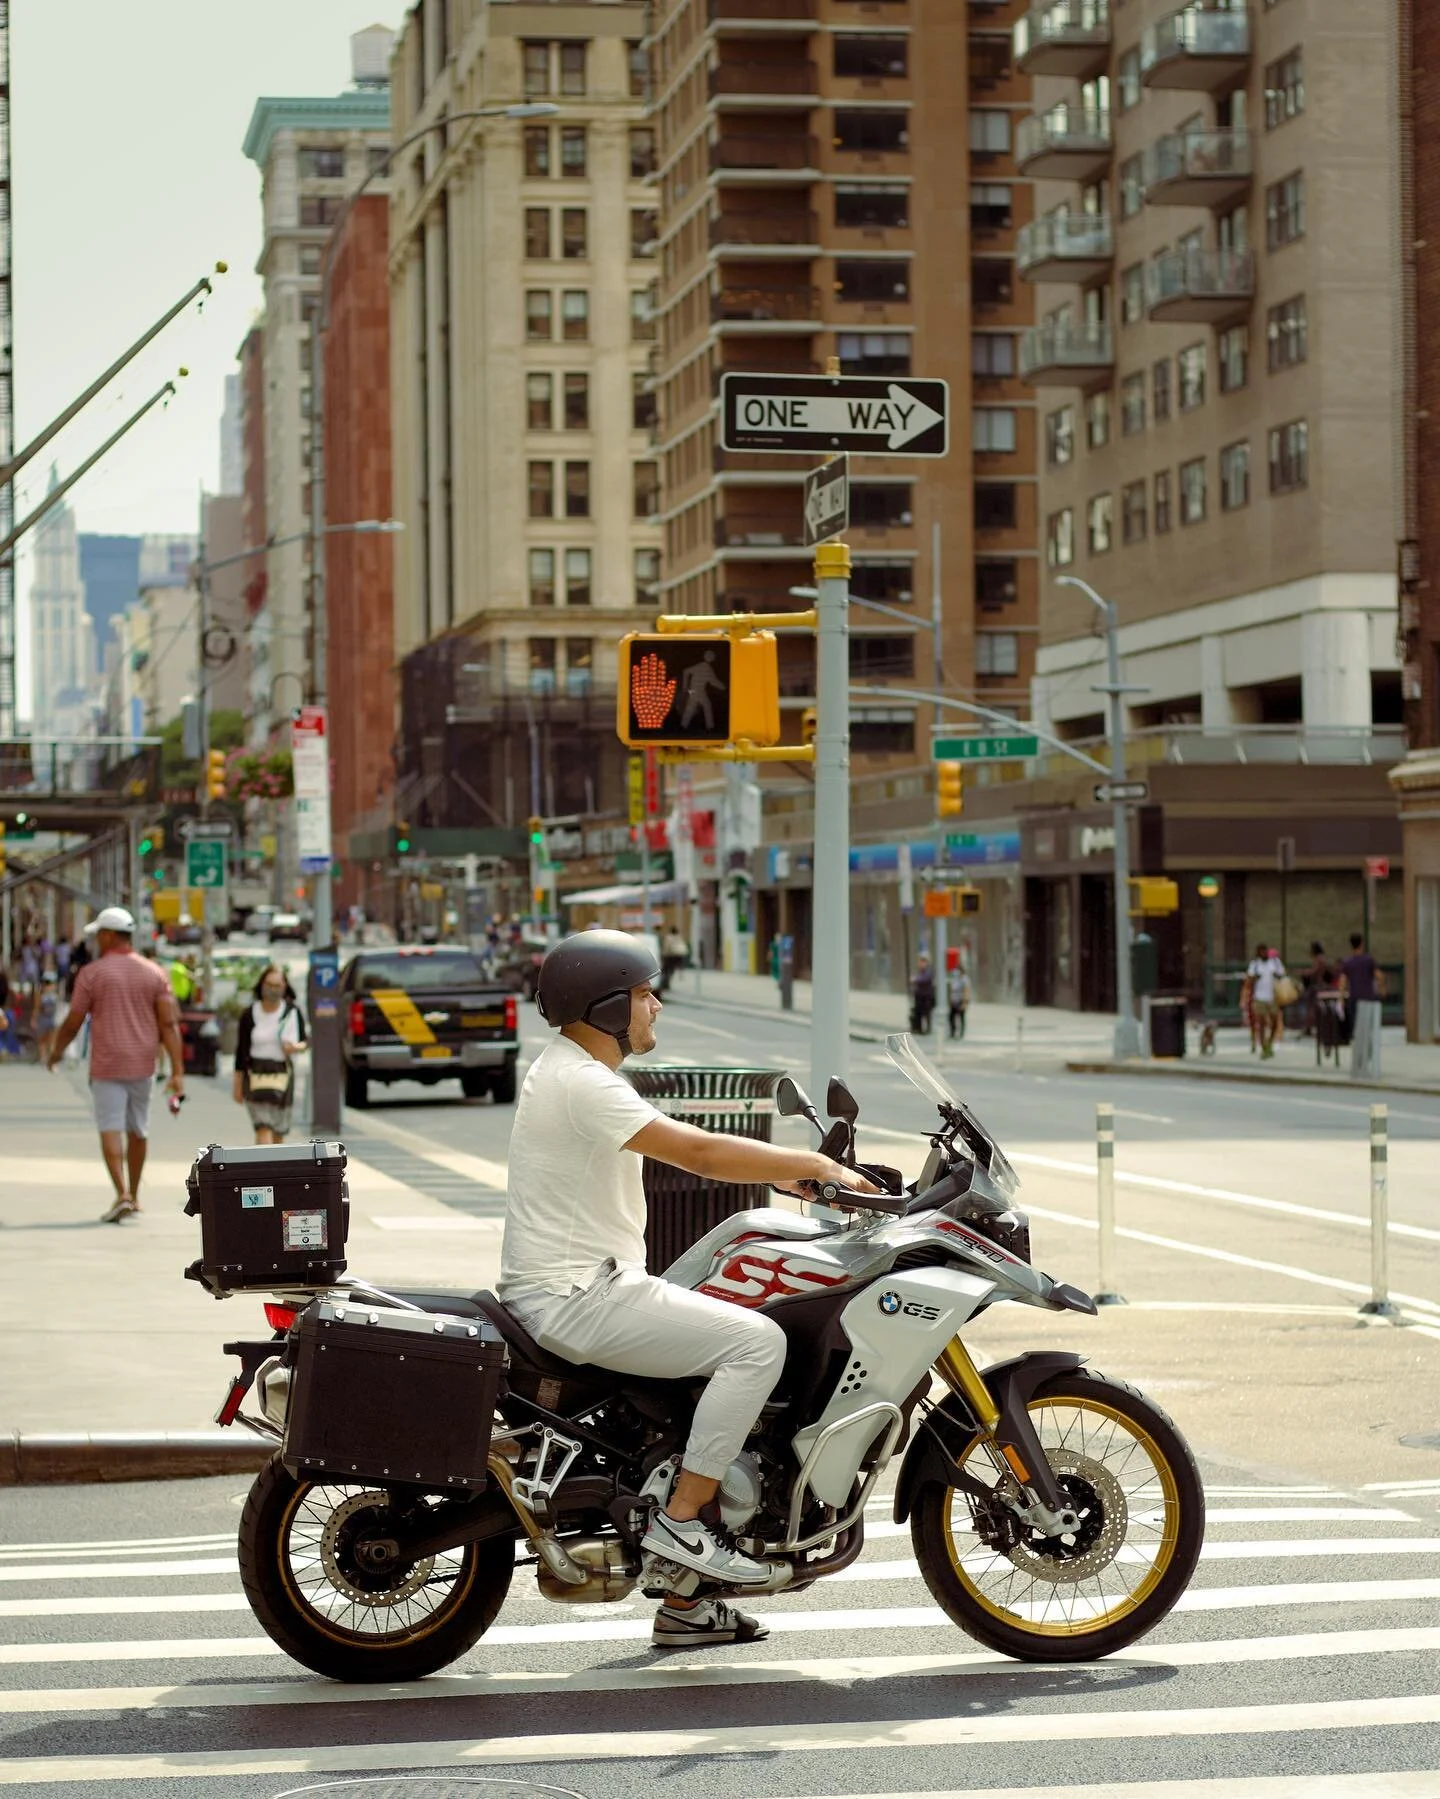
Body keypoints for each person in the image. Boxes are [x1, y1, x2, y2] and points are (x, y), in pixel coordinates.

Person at [499, 929, 875, 1650]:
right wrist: (816, 1166)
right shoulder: (583, 1081)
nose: (657, 1006)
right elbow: (695, 1148)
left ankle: (688, 1603)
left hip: (583, 1282)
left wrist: (777, 1174)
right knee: (756, 1342)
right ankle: (682, 1524)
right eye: (645, 993)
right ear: (607, 1003)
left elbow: (686, 1144)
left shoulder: (571, 1069)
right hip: (577, 1294)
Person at [44, 905, 184, 1223]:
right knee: (138, 1129)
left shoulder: (92, 974)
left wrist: (56, 1053)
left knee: (110, 1126)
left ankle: (121, 1193)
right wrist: (177, 1070)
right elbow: (168, 1025)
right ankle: (134, 1195)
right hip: (143, 1065)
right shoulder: (154, 972)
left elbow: (73, 1022)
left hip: (107, 1064)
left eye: (98, 936)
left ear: (108, 936)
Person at [233, 966, 308, 1143]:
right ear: (261, 985)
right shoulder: (250, 1014)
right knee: (263, 1126)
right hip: (255, 1074)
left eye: (277, 985)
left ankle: (275, 1168)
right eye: (269, 984)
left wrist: (294, 1047)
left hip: (282, 1074)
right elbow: (241, 1050)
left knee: (278, 1130)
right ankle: (264, 1168)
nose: (272, 989)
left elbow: (304, 1042)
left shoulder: (291, 1013)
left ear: (284, 987)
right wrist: (237, 1085)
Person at [1339, 931, 1386, 1064]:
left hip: (1355, 998)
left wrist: (1341, 999)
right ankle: (1368, 1051)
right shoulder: (1368, 960)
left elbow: (1342, 982)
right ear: (1362, 944)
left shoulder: (1347, 962)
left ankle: (1359, 1054)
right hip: (1368, 998)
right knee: (1369, 1026)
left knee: (1357, 1026)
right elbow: (1379, 976)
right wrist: (1382, 990)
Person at [1243, 941, 1286, 1060]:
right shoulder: (1255, 965)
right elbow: (1249, 979)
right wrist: (1255, 977)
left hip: (1273, 996)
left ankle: (1270, 1042)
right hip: (1259, 996)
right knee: (1261, 1023)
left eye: (1265, 951)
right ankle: (1264, 1047)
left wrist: (1276, 975)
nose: (1264, 953)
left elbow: (1282, 974)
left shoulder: (1275, 962)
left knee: (1275, 1022)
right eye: (1261, 951)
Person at [33, 972, 60, 1066]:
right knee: (45, 1040)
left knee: (48, 1040)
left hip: (49, 1019)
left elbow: (37, 1008)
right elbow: (37, 1007)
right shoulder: (44, 994)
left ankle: (48, 1058)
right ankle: (46, 1059)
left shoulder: (51, 994)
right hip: (46, 1018)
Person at [909, 953, 936, 1036]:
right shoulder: (920, 972)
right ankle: (919, 1028)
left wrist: (915, 979)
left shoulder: (928, 971)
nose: (921, 964)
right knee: (918, 1012)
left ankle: (928, 1028)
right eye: (920, 962)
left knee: (927, 1013)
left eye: (923, 962)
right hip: (919, 996)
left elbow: (924, 979)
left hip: (927, 996)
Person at [947, 963, 972, 1041]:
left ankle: (961, 1033)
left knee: (961, 1017)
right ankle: (953, 1032)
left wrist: (965, 1002)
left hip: (961, 1000)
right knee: (951, 1017)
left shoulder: (965, 979)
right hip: (954, 1000)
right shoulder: (955, 979)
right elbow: (951, 989)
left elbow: (966, 990)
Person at [660, 928, 689, 994]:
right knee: (671, 971)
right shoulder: (679, 937)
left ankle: (665, 984)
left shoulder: (668, 937)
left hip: (669, 956)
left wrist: (663, 955)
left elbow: (666, 947)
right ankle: (667, 983)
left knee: (665, 971)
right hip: (678, 956)